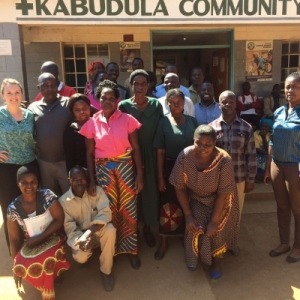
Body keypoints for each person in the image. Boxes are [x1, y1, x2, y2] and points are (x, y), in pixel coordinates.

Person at [80, 79, 144, 269]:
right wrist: (91, 180)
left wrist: (140, 175)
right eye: (103, 98)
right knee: (108, 210)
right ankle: (112, 249)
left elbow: (136, 148)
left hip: (126, 169)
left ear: (117, 100)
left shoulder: (128, 120)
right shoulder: (92, 123)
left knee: (129, 210)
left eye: (111, 98)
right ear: (98, 100)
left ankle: (131, 250)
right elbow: (90, 154)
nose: (107, 101)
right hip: (103, 172)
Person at [169, 125, 239, 279]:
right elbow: (178, 186)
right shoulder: (185, 156)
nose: (203, 148)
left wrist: (214, 221)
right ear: (193, 141)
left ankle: (216, 261)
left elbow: (223, 193)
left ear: (215, 143)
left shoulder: (224, 161)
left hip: (221, 199)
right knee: (195, 225)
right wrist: (188, 215)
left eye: (208, 144)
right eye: (198, 143)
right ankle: (193, 258)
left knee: (216, 229)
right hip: (197, 197)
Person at [7, 166, 70, 300]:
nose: (29, 186)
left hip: (54, 235)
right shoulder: (12, 209)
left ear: (38, 183)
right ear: (18, 184)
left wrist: (40, 237)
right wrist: (15, 267)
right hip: (31, 240)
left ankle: (53, 277)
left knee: (46, 259)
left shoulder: (47, 195)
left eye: (33, 182)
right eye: (24, 182)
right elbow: (14, 239)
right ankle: (47, 280)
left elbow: (60, 220)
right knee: (20, 263)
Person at [119, 69, 164, 249]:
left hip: (152, 155)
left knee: (150, 193)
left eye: (143, 84)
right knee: (132, 192)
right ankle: (133, 229)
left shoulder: (156, 105)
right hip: (130, 155)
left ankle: (147, 228)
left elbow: (160, 130)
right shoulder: (123, 106)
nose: (139, 87)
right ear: (131, 85)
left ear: (149, 86)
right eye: (136, 84)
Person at [153, 88, 198, 260]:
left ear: (184, 103)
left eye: (179, 102)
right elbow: (160, 152)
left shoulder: (193, 122)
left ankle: (184, 237)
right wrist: (160, 176)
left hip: (190, 168)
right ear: (168, 104)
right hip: (169, 167)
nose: (176, 105)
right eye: (172, 102)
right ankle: (164, 241)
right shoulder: (163, 122)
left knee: (187, 203)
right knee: (167, 205)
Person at [59, 166, 116, 291]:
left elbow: (106, 214)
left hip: (96, 231)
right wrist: (81, 239)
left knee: (110, 230)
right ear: (69, 180)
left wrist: (89, 233)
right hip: (80, 237)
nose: (79, 181)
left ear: (87, 179)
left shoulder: (97, 191)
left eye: (82, 179)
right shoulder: (63, 202)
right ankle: (85, 258)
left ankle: (106, 271)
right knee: (80, 256)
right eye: (75, 179)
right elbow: (69, 228)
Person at [264, 72, 300, 263]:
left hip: (296, 167)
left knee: (297, 208)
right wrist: (268, 164)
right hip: (277, 164)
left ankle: (298, 246)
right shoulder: (278, 112)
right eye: (287, 86)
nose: (290, 90)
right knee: (282, 206)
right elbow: (273, 139)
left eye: (295, 86)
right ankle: (284, 242)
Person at [0, 78, 39, 251]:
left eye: (16, 92)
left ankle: (33, 247)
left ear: (22, 94)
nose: (13, 96)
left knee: (31, 209)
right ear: (3, 95)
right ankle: (15, 251)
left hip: (30, 166)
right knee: (10, 208)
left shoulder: (30, 115)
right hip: (7, 169)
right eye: (9, 93)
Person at [210, 91, 256, 222]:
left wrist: (250, 179)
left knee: (236, 212)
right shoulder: (211, 128)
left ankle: (232, 241)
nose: (228, 104)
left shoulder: (246, 127)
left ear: (236, 104)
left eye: (231, 102)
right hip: (217, 179)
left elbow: (251, 155)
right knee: (218, 212)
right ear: (219, 105)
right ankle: (219, 241)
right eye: (224, 102)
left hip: (239, 178)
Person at [28, 73, 72, 196]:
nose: (49, 89)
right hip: (44, 164)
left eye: (52, 85)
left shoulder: (68, 104)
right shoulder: (32, 108)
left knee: (70, 197)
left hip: (65, 163)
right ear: (39, 88)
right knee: (49, 198)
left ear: (57, 86)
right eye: (45, 86)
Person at [64, 94, 91, 172]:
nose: (82, 112)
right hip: (81, 174)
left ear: (89, 108)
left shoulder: (98, 125)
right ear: (72, 111)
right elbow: (70, 159)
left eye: (85, 108)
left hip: (101, 170)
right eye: (77, 110)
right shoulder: (70, 131)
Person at [254, 118, 273, 182]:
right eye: (262, 126)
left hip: (266, 152)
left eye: (266, 126)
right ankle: (259, 176)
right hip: (258, 154)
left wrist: (264, 137)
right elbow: (256, 150)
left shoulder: (270, 135)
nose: (264, 128)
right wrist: (267, 153)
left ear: (269, 128)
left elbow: (268, 148)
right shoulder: (255, 134)